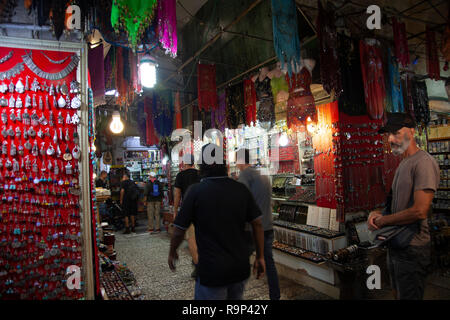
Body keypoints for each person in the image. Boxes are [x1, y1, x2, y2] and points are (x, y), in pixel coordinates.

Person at [168, 144, 266, 300]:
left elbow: (180, 229)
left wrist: (173, 251)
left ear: (201, 167)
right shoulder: (240, 189)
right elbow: (257, 224)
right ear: (225, 165)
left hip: (211, 271)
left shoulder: (195, 192)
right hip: (239, 269)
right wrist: (260, 256)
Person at [367, 113, 440, 300]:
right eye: (388, 135)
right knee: (398, 293)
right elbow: (394, 207)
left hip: (412, 247)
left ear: (412, 132)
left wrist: (383, 220)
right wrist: (376, 214)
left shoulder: (423, 162)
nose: (391, 139)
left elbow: (419, 210)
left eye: (396, 133)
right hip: (397, 245)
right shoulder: (403, 164)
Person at [237, 148, 280, 300]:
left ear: (241, 160)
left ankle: (234, 296)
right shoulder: (263, 174)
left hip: (252, 229)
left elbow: (241, 202)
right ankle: (275, 296)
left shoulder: (245, 175)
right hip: (267, 225)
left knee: (239, 262)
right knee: (269, 262)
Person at [173, 154, 200, 278]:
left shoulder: (180, 175)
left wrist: (175, 211)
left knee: (191, 238)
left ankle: (198, 266)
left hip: (188, 210)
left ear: (184, 163)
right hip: (202, 209)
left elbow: (177, 195)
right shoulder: (200, 174)